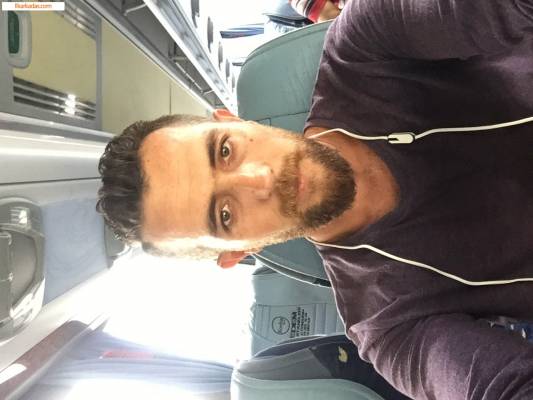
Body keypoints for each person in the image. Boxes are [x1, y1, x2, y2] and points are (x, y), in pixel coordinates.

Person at [97, 1, 533, 399]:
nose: (260, 179)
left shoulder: (364, 46)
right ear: (239, 251)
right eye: (225, 214)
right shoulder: (388, 325)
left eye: (225, 151)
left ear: (232, 119)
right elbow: (497, 387)